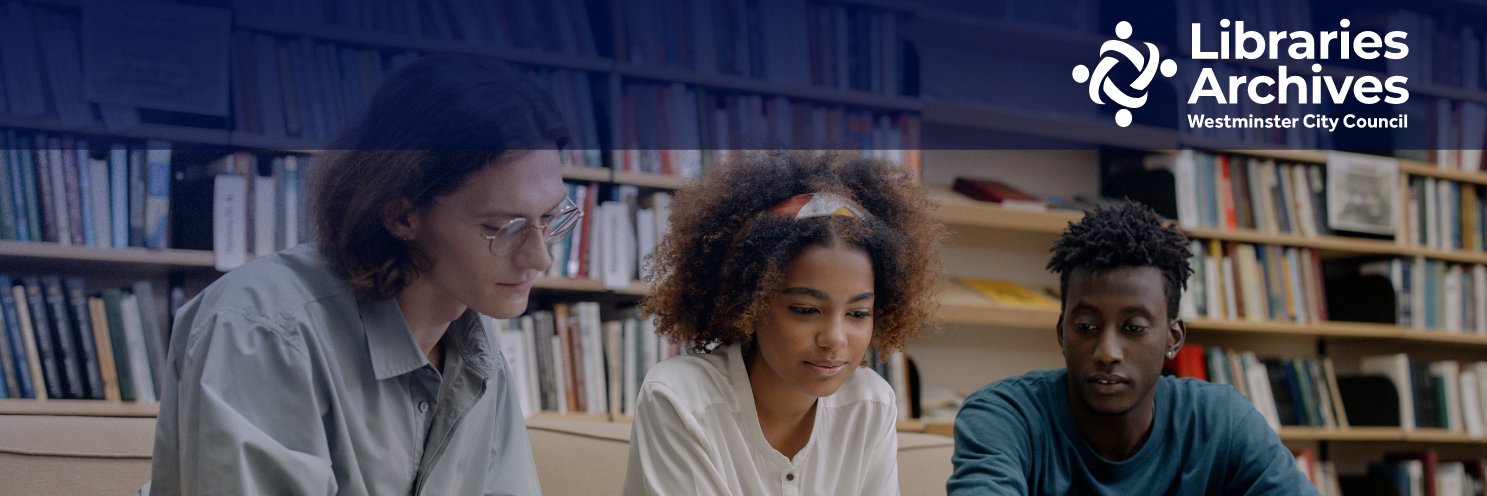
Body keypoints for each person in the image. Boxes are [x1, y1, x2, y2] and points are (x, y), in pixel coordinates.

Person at [148, 54, 575, 495]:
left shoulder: (476, 345)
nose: (540, 257)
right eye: (503, 227)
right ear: (401, 214)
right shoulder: (260, 330)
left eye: (551, 216)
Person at [622, 152, 943, 495]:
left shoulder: (871, 404)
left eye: (858, 314)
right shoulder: (680, 398)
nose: (834, 339)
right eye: (805, 310)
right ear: (749, 304)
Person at [947, 201, 1318, 495]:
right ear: (1062, 333)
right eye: (1086, 326)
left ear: (1173, 338)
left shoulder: (1222, 422)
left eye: (1133, 328)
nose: (1107, 352)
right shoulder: (1006, 417)